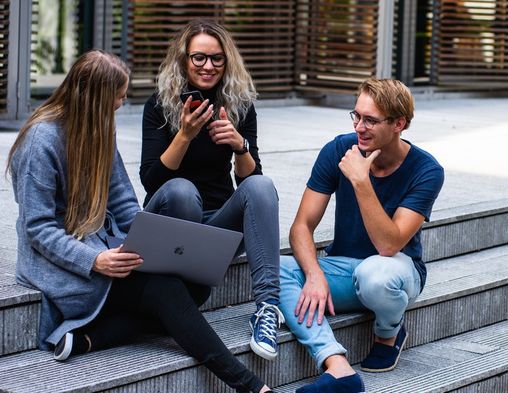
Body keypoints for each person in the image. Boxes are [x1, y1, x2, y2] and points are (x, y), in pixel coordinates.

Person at [8, 50, 273, 393]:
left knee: (196, 288)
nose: (120, 105)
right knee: (167, 291)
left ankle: (92, 337)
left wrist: (148, 242)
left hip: (107, 249)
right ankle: (250, 385)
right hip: (64, 264)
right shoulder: (41, 141)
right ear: (95, 97)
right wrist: (95, 260)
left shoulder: (99, 129)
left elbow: (123, 202)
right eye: (117, 98)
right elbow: (39, 228)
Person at [278, 78, 445, 392]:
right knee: (275, 269)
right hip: (342, 267)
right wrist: (314, 274)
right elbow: (301, 226)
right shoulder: (339, 149)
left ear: (399, 123)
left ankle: (389, 332)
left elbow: (389, 244)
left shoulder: (427, 170)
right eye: (356, 116)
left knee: (376, 275)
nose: (359, 127)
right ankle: (336, 366)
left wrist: (361, 181)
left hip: (396, 270)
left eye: (370, 120)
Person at [140, 20, 283, 361]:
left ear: (227, 61)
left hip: (216, 229)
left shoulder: (239, 105)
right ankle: (178, 294)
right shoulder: (159, 105)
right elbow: (151, 181)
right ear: (184, 60)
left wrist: (240, 145)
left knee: (261, 186)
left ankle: (267, 310)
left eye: (217, 59)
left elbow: (251, 182)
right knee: (182, 191)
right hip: (171, 221)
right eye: (199, 58)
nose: (208, 66)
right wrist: (185, 135)